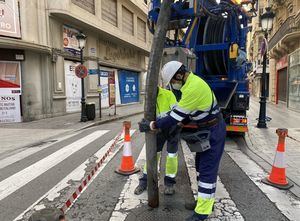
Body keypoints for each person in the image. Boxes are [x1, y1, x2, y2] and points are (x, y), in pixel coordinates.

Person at [139, 61, 226, 221]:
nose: (172, 85)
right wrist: (181, 123)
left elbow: (175, 116)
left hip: (213, 130)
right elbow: (190, 113)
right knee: (201, 167)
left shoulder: (193, 88)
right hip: (207, 128)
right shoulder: (190, 84)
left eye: (172, 81)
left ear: (179, 75)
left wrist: (152, 125)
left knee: (207, 170)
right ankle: (205, 202)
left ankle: (201, 213)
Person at [135, 86, 180, 196]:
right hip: (158, 129)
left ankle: (169, 183)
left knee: (172, 155)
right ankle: (145, 181)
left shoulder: (168, 94)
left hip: (172, 128)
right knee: (153, 154)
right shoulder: (149, 98)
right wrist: (145, 122)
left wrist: (158, 122)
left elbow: (176, 113)